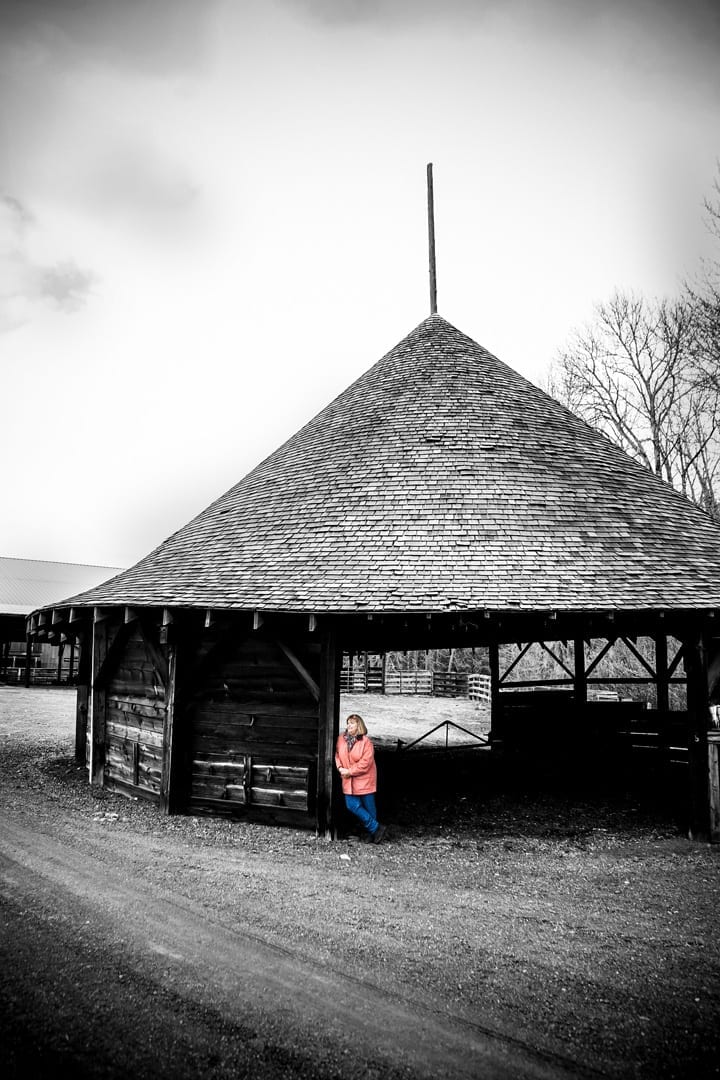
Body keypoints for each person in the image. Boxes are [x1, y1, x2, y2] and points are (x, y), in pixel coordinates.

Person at [335, 713, 386, 844]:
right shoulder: (341, 739)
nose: (348, 725)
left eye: (352, 723)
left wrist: (350, 771)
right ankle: (376, 828)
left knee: (369, 808)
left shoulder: (366, 742)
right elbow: (337, 755)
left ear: (359, 725)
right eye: (348, 723)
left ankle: (371, 835)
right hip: (347, 778)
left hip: (365, 779)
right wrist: (340, 768)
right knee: (351, 805)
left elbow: (365, 763)